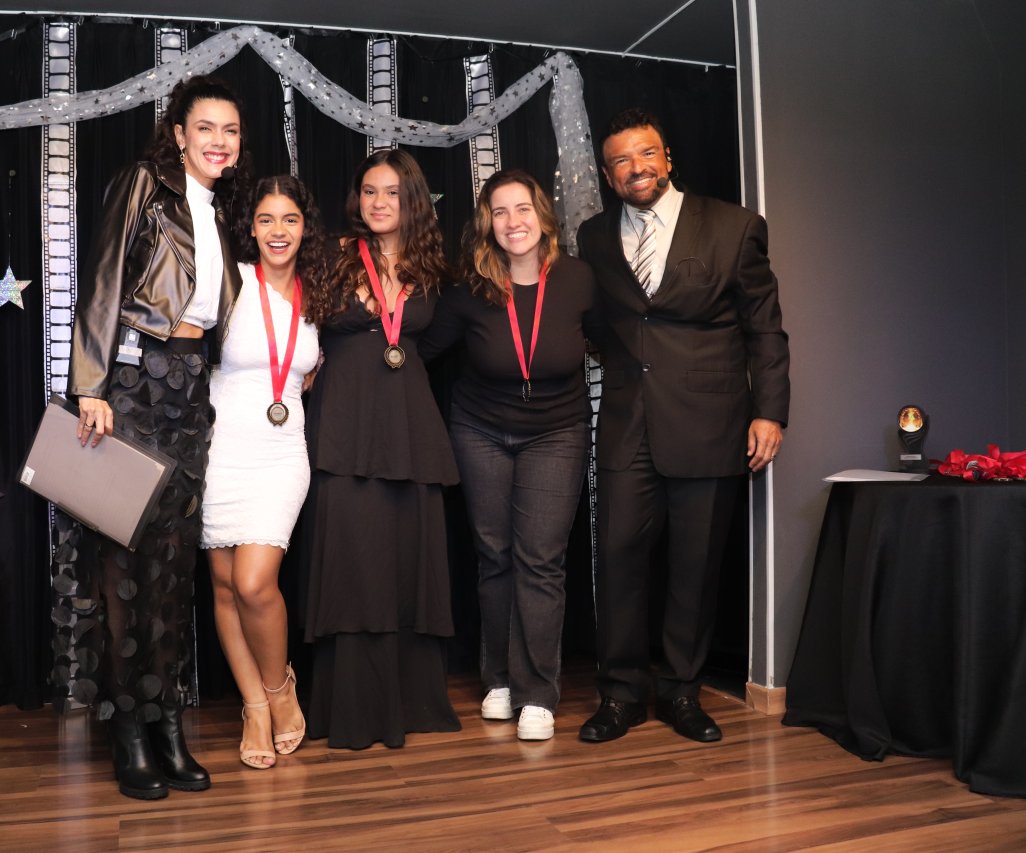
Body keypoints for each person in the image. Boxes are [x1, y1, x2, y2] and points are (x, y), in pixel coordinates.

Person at [576, 108, 790, 744]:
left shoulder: (734, 226)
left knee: (695, 568)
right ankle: (619, 695)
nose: (635, 168)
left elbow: (765, 328)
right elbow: (600, 323)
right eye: (620, 160)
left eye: (646, 153)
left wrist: (769, 410)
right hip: (626, 423)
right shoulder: (592, 235)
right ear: (608, 175)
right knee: (617, 560)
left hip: (710, 423)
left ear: (667, 158)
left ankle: (681, 693)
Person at [66, 75, 248, 799]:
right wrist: (90, 385)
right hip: (135, 387)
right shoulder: (143, 183)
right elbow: (103, 278)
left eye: (230, 130)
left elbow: (220, 316)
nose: (218, 141)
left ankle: (167, 721)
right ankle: (128, 733)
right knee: (124, 566)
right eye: (206, 127)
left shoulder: (220, 211)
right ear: (178, 133)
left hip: (190, 392)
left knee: (172, 573)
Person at [420, 170, 598, 741]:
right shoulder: (469, 287)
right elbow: (422, 349)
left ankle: (538, 692)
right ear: (486, 223)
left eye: (522, 209)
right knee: (494, 556)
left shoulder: (577, 279)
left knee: (540, 560)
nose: (513, 222)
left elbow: (617, 341)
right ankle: (498, 678)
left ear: (542, 216)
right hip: (480, 431)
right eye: (500, 211)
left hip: (557, 432)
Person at [300, 148, 461, 749]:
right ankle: (350, 707)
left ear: (412, 199)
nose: (379, 202)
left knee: (407, 563)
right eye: (369, 191)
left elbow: (437, 342)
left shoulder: (431, 266)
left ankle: (410, 703)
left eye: (392, 192)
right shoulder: (331, 255)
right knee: (351, 561)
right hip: (344, 428)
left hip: (410, 431)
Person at [202, 176, 329, 769]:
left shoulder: (320, 292)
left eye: (290, 219)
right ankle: (253, 706)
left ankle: (280, 690)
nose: (278, 231)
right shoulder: (229, 280)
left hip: (280, 453)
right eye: (266, 219)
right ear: (250, 228)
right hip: (219, 447)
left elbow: (315, 367)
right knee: (225, 586)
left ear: (305, 227)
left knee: (254, 583)